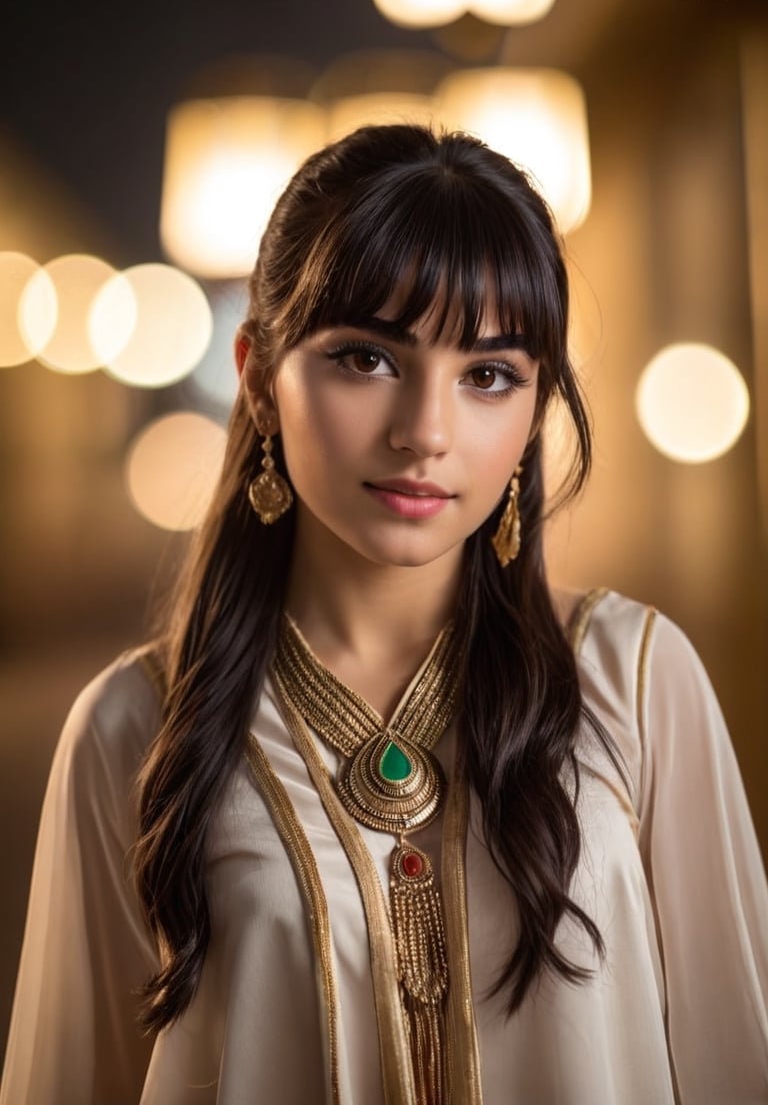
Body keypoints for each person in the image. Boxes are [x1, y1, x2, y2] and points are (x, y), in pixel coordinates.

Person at [2, 123, 767, 1105]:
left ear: (536, 409)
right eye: (366, 359)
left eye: (489, 375)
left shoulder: (637, 678)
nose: (425, 433)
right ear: (256, 377)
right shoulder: (132, 729)